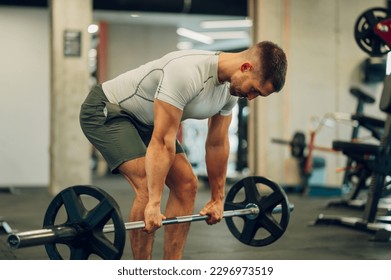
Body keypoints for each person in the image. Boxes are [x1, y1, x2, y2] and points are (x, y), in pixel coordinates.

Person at [79, 41, 287, 260]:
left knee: (187, 184)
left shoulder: (231, 92)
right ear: (245, 67)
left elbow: (217, 143)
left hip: (148, 122)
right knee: (147, 184)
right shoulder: (187, 72)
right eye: (254, 90)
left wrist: (218, 198)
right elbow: (162, 142)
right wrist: (154, 204)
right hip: (108, 110)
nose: (252, 97)